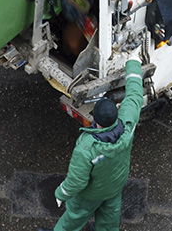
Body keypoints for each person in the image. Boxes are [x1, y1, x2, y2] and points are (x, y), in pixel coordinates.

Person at [39, 59, 145, 231]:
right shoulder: (128, 123)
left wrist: (60, 194)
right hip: (114, 187)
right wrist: (133, 64)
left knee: (75, 218)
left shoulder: (87, 147)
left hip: (90, 195)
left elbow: (77, 181)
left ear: (96, 121)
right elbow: (135, 95)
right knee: (110, 218)